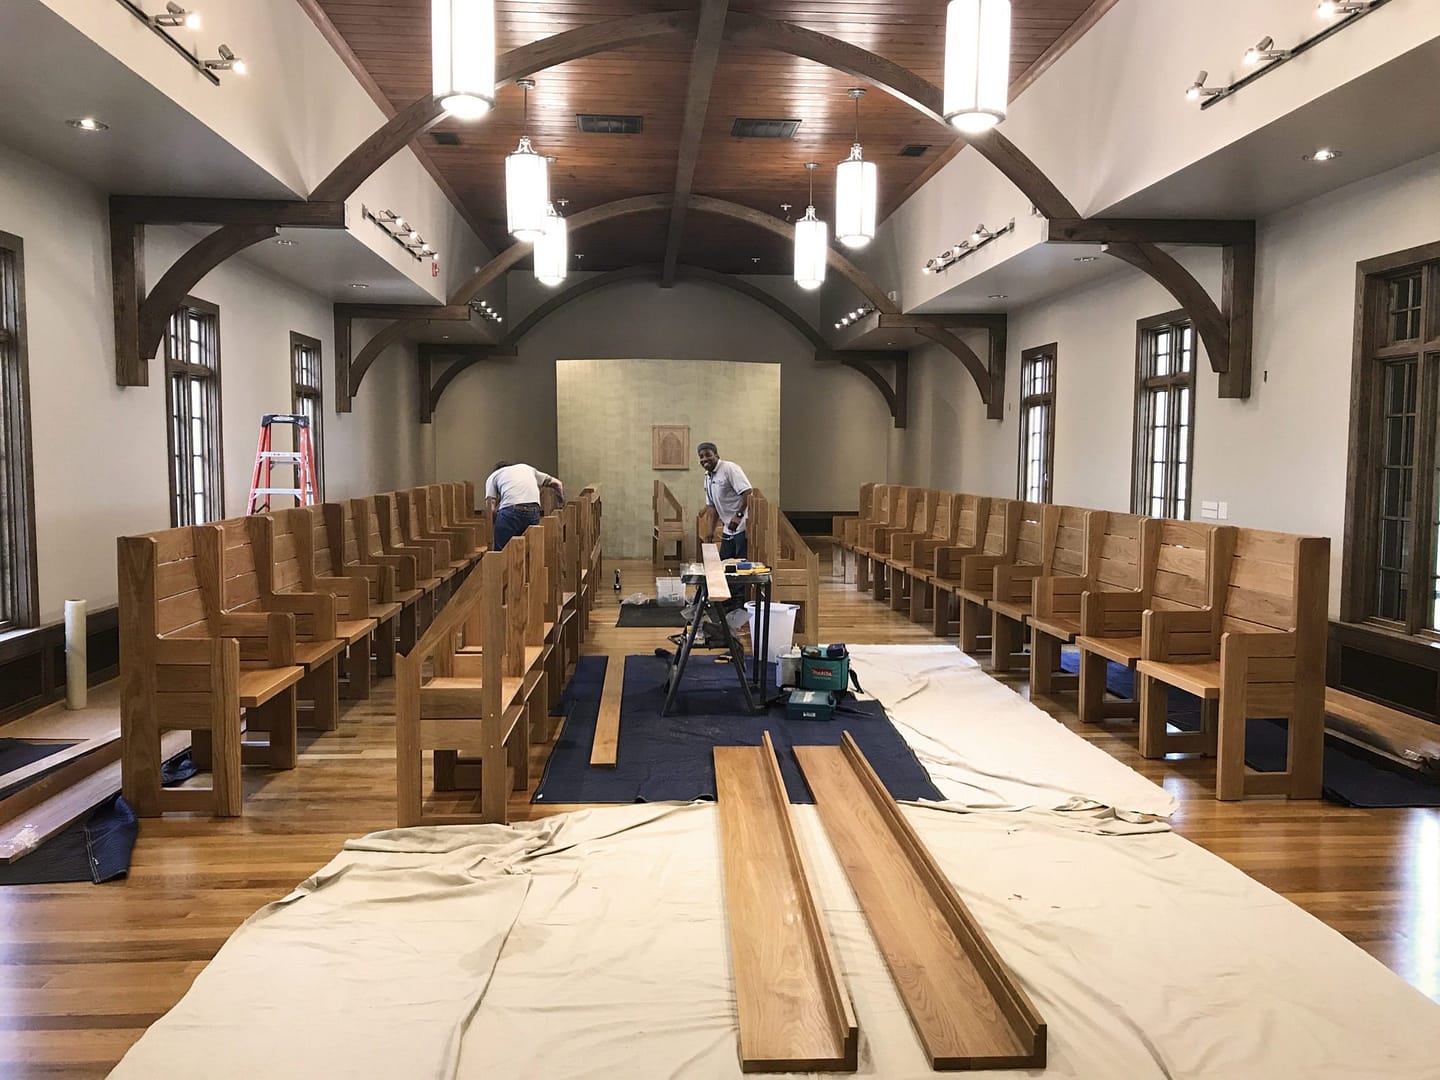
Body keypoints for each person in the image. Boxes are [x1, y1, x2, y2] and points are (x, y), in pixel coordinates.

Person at [485, 460, 563, 551]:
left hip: (510, 513)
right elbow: (558, 484)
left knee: (502, 552)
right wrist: (561, 501)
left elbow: (490, 505)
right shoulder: (527, 468)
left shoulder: (494, 476)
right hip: (533, 511)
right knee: (530, 551)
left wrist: (495, 523)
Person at [698, 442, 751, 560]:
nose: (704, 459)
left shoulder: (729, 469)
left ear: (717, 455)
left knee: (740, 564)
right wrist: (711, 531)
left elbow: (747, 492)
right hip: (728, 528)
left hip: (742, 525)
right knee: (724, 562)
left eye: (708, 455)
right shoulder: (707, 476)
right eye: (701, 457)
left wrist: (738, 515)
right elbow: (713, 507)